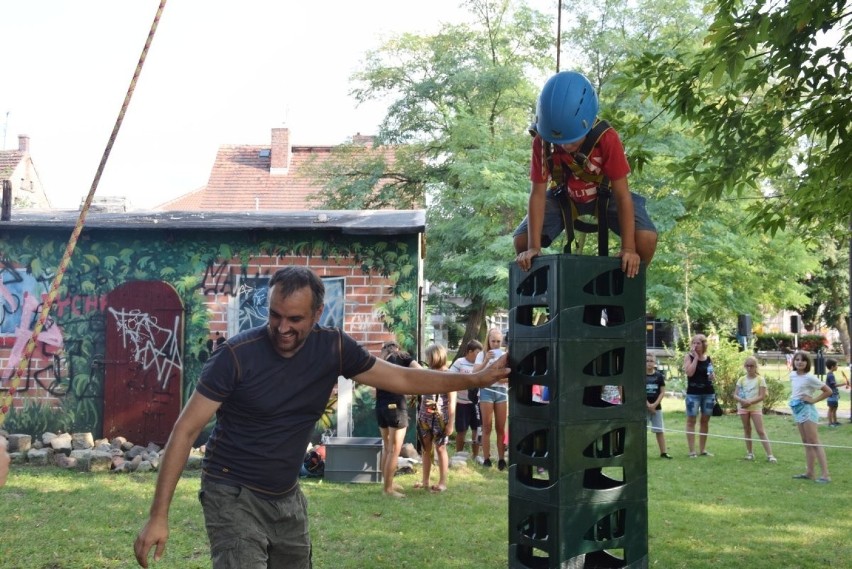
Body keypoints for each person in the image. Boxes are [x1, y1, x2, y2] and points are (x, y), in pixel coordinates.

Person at [133, 266, 510, 569]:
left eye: (295, 318)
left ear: (317, 313)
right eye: (275, 316)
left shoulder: (334, 348)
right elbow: (185, 431)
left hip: (285, 495)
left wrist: (475, 378)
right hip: (231, 491)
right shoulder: (235, 356)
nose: (283, 328)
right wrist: (158, 516)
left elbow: (403, 377)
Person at [513, 70, 657, 277]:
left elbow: (622, 194)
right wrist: (533, 247)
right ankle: (549, 290)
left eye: (573, 139)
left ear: (587, 124)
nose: (567, 146)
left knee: (646, 239)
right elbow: (537, 193)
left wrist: (628, 248)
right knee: (521, 241)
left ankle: (628, 284)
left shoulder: (607, 138)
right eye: (561, 141)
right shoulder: (543, 141)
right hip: (565, 194)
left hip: (605, 193)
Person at [376, 341, 420, 498]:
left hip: (380, 407)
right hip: (396, 407)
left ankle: (388, 483)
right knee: (394, 449)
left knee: (387, 448)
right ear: (397, 348)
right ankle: (388, 489)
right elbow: (419, 371)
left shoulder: (379, 362)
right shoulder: (403, 356)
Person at [414, 344, 456, 493]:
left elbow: (452, 401)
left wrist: (451, 423)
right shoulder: (427, 373)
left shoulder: (449, 375)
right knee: (426, 449)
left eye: (428, 356)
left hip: (441, 418)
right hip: (424, 417)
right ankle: (425, 481)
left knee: (441, 448)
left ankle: (442, 482)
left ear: (435, 356)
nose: (427, 359)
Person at [789, 351, 832, 483]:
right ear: (794, 361)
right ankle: (810, 472)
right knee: (806, 442)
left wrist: (813, 400)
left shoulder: (810, 377)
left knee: (814, 441)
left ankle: (825, 475)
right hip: (797, 410)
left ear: (807, 363)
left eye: (803, 360)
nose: (799, 362)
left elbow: (828, 391)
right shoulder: (792, 375)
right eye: (797, 359)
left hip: (807, 410)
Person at [474, 328, 508, 470]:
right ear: (488, 340)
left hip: (501, 392)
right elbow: (474, 373)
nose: (495, 344)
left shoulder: (505, 355)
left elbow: (510, 375)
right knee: (486, 427)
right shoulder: (482, 355)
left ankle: (501, 459)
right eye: (493, 341)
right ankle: (487, 458)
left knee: (500, 427)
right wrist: (486, 360)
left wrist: (502, 379)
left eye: (498, 341)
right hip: (486, 391)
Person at [733, 356, 777, 462]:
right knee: (747, 429)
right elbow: (735, 394)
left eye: (751, 366)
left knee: (760, 430)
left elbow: (762, 396)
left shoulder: (760, 379)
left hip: (755, 408)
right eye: (747, 366)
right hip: (743, 407)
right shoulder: (741, 379)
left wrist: (750, 402)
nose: (749, 368)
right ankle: (750, 453)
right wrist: (742, 401)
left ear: (755, 367)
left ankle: (770, 455)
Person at [683, 334, 716, 458]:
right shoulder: (689, 357)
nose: (695, 345)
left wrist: (712, 376)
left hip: (708, 392)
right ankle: (692, 451)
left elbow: (712, 375)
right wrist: (696, 358)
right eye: (694, 343)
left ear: (704, 345)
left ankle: (703, 450)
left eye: (698, 343)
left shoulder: (708, 358)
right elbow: (690, 373)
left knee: (705, 421)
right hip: (693, 394)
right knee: (691, 420)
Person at [449, 339, 483, 461]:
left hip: (476, 402)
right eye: (477, 353)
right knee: (461, 429)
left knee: (477, 428)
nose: (479, 356)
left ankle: (476, 455)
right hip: (461, 403)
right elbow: (450, 376)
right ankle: (459, 455)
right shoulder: (459, 362)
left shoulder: (480, 364)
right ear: (469, 351)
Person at [645, 353, 672, 459]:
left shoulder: (659, 376)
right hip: (644, 408)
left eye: (651, 361)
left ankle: (663, 452)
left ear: (655, 363)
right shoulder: (640, 375)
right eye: (646, 361)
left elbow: (662, 392)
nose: (649, 363)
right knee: (642, 431)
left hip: (657, 408)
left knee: (659, 430)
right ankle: (641, 452)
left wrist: (654, 405)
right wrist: (648, 405)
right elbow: (639, 391)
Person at [824, 358, 846, 427]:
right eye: (836, 365)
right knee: (831, 409)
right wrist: (843, 384)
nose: (837, 367)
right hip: (831, 395)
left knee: (835, 408)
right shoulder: (830, 375)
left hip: (834, 395)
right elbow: (834, 385)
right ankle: (830, 423)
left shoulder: (830, 374)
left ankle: (835, 422)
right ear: (832, 367)